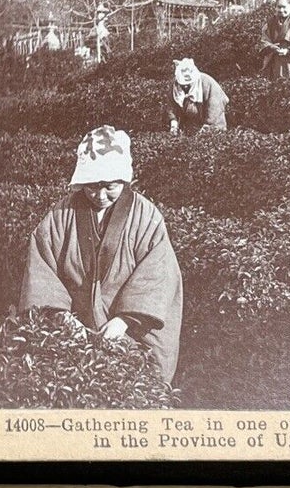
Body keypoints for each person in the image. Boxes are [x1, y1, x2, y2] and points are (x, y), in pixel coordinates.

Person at [18, 125, 183, 382]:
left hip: (131, 328)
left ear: (125, 180)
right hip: (74, 324)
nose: (100, 195)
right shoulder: (61, 216)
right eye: (92, 186)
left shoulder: (147, 216)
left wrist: (123, 321)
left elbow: (158, 275)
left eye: (110, 186)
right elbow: (42, 268)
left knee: (136, 384)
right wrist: (63, 319)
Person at [168, 57, 229, 135]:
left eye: (188, 84)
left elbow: (215, 108)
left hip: (212, 122)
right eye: (183, 84)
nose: (185, 86)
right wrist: (174, 124)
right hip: (191, 126)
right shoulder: (175, 85)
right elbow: (171, 106)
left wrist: (206, 128)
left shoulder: (207, 83)